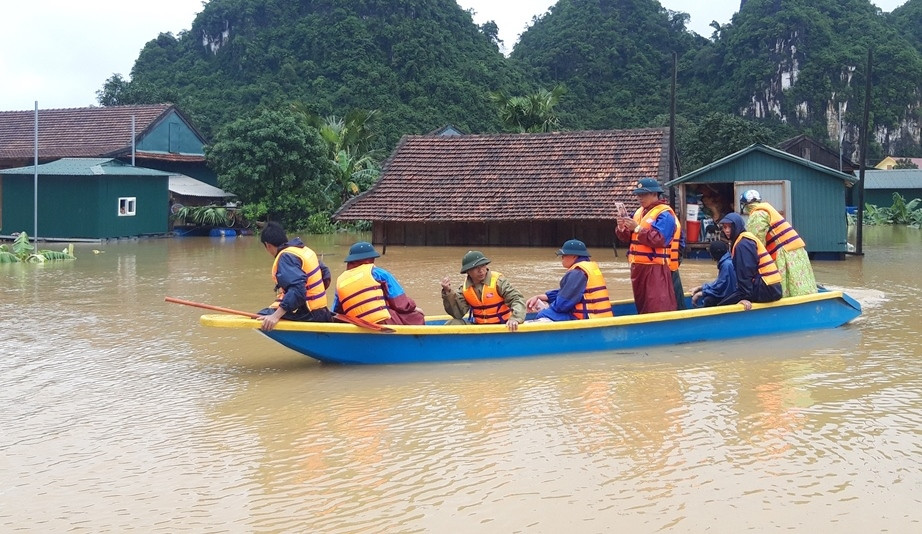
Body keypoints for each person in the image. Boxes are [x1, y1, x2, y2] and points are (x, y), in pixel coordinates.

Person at [615, 177, 680, 314]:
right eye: (638, 195)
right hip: (638, 267)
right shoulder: (639, 213)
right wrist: (622, 228)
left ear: (655, 194)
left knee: (657, 305)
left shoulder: (665, 214)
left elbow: (660, 239)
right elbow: (628, 238)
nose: (640, 198)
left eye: (643, 194)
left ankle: (661, 329)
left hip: (655, 268)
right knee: (642, 304)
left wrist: (637, 228)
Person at [739, 190, 817, 298]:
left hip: (784, 254)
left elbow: (755, 242)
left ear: (744, 205)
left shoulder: (757, 215)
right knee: (800, 286)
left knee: (782, 287)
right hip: (796, 252)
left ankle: (786, 306)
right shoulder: (768, 210)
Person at [257, 221, 332, 331]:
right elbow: (326, 274)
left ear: (268, 245)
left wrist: (275, 316)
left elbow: (297, 290)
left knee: (259, 316)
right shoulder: (303, 250)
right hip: (322, 312)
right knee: (273, 309)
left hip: (311, 316)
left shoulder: (285, 257)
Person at [332, 241, 425, 326]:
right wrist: (414, 308)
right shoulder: (378, 273)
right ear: (369, 260)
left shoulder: (340, 281)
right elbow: (401, 304)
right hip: (381, 322)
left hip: (357, 324)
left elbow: (336, 311)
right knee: (417, 316)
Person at [525, 239, 614, 321]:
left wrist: (546, 308)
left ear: (574, 256)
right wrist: (540, 297)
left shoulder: (577, 273)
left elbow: (562, 305)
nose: (562, 258)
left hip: (588, 318)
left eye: (564, 255)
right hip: (600, 316)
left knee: (544, 314)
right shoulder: (587, 267)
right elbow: (565, 292)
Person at [440, 250, 527, 331]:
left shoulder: (499, 282)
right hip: (479, 326)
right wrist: (448, 292)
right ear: (468, 271)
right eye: (476, 268)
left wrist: (515, 318)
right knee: (453, 323)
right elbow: (458, 313)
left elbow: (517, 299)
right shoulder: (464, 289)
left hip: (503, 325)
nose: (481, 271)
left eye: (483, 266)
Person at [717, 212, 783, 310]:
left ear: (737, 226)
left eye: (730, 227)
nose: (726, 230)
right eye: (724, 227)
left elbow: (746, 272)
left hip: (766, 289)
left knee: (721, 306)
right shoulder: (744, 239)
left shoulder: (743, 244)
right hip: (771, 287)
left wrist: (744, 298)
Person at [690, 240, 737, 308]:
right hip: (731, 295)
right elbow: (718, 283)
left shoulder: (726, 265)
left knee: (708, 300)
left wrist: (702, 293)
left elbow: (721, 287)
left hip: (731, 297)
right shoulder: (727, 262)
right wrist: (701, 287)